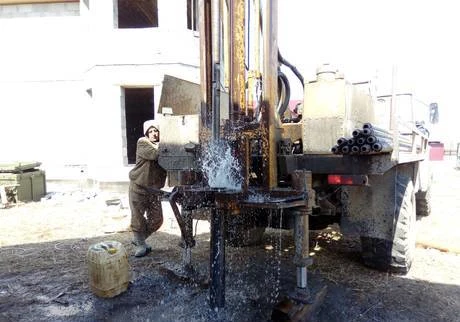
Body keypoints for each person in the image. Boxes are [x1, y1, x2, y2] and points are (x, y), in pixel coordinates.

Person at [128, 119, 167, 257]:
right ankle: (140, 244)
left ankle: (139, 239)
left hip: (154, 190)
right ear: (146, 133)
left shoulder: (163, 145)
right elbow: (155, 154)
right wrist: (169, 144)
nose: (154, 133)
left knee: (157, 219)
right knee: (138, 217)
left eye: (156, 130)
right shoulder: (143, 142)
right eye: (150, 131)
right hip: (139, 186)